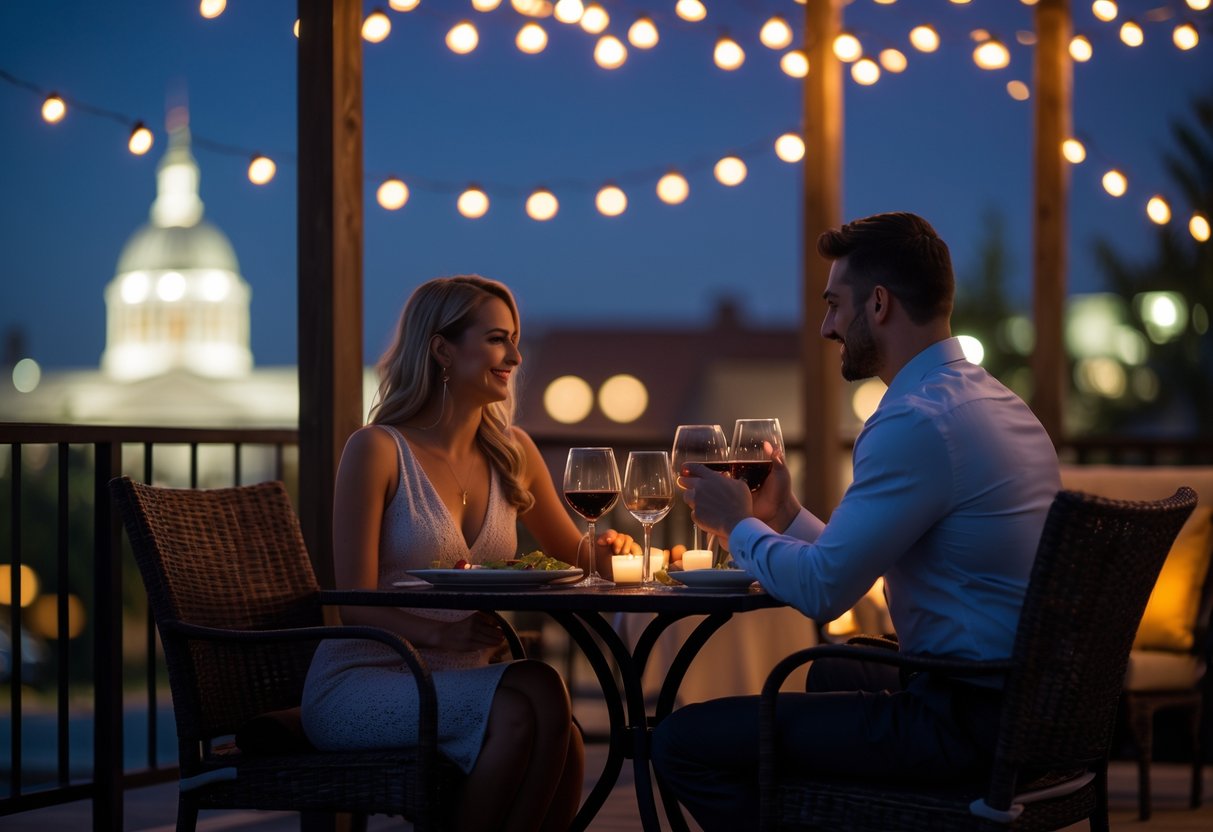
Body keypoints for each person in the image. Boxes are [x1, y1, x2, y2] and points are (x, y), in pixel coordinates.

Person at [652, 212, 1061, 831]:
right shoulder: (999, 405)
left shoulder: (914, 422)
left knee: (682, 741)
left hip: (966, 721)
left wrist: (738, 526)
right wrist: (783, 516)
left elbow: (823, 590)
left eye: (834, 305)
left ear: (878, 304)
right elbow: (852, 565)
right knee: (829, 671)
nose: (826, 326)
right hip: (1037, 709)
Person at [302, 275, 637, 832]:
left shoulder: (513, 451)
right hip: (368, 678)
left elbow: (573, 557)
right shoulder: (377, 450)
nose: (515, 356)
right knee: (538, 691)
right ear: (441, 350)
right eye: (498, 339)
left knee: (567, 738)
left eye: (514, 339)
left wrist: (608, 549)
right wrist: (442, 634)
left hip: (463, 676)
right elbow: (352, 604)